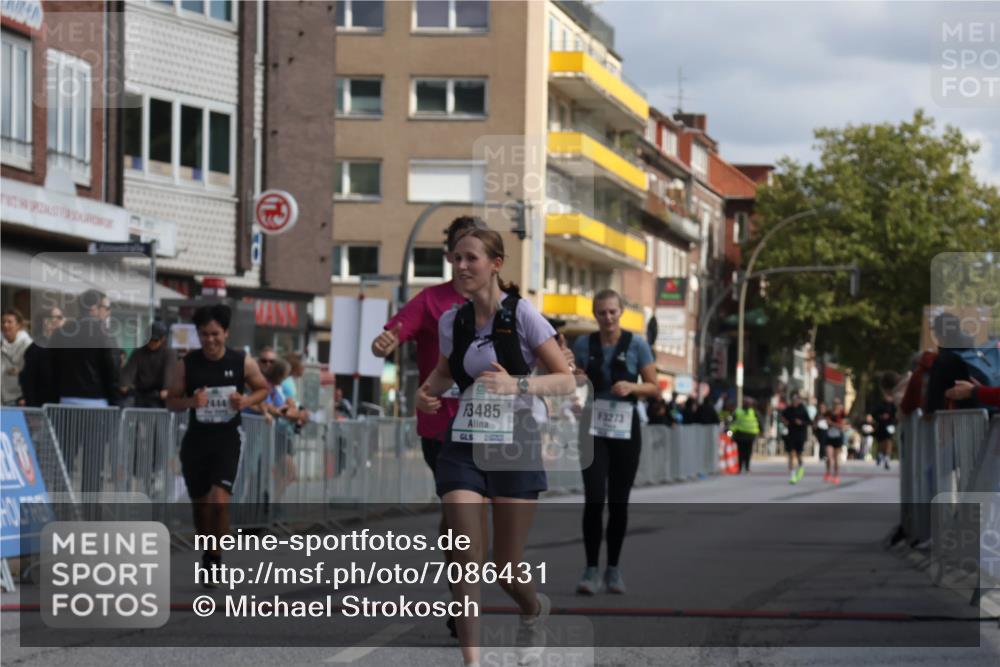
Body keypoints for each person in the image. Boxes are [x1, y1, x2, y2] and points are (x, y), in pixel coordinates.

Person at [415, 227, 573, 667]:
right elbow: (445, 372)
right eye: (455, 258)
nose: (461, 266)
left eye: (471, 258)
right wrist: (426, 391)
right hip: (464, 442)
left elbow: (566, 380)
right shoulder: (453, 320)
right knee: (465, 554)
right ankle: (473, 661)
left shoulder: (523, 315)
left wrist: (515, 383)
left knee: (505, 567)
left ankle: (532, 608)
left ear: (496, 264)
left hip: (516, 442)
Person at [165, 304, 268, 583]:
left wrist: (245, 401)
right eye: (203, 335)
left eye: (215, 334)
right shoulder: (186, 363)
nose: (210, 340)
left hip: (227, 439)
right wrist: (190, 401)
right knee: (200, 506)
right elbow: (171, 400)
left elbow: (263, 388)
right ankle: (207, 551)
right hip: (196, 441)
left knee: (219, 501)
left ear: (226, 333)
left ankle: (215, 558)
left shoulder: (241, 361)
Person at [571, 289, 658, 596]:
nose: (607, 318)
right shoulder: (584, 343)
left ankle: (614, 570)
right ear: (594, 314)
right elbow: (575, 379)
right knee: (594, 498)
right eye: (601, 312)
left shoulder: (637, 344)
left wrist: (632, 386)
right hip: (592, 426)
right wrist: (577, 393)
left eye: (612, 312)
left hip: (625, 427)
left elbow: (654, 386)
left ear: (621, 312)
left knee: (618, 502)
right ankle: (591, 568)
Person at [120, 322, 175, 408]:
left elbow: (169, 372)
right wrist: (125, 384)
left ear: (163, 339)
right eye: (149, 339)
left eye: (155, 340)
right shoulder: (138, 352)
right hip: (140, 393)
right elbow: (130, 370)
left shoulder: (169, 353)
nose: (151, 343)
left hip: (158, 395)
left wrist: (166, 388)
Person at [19, 306, 64, 407]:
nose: (61, 321)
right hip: (42, 408)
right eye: (58, 317)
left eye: (61, 317)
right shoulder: (35, 349)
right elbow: (28, 384)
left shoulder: (67, 346)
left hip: (63, 408)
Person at [2, 309, 32, 406]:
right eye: (3, 322)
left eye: (9, 322)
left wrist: (25, 397)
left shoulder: (28, 345)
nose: (5, 325)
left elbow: (32, 372)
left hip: (19, 400)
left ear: (18, 325)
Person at [781, 393, 811, 484]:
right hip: (791, 434)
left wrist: (801, 422)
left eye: (796, 400)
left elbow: (809, 421)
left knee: (799, 455)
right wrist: (785, 421)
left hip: (800, 434)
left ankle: (801, 467)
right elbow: (782, 416)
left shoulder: (803, 409)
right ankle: (793, 475)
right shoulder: (789, 409)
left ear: (799, 401)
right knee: (791, 454)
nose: (794, 402)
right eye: (793, 400)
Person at [873, 372, 898, 469]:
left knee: (888, 441)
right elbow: (874, 413)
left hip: (890, 425)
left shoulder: (893, 404)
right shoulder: (880, 404)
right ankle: (880, 455)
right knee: (881, 442)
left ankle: (887, 458)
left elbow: (896, 414)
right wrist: (881, 417)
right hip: (881, 425)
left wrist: (892, 418)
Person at [730, 397, 760, 473]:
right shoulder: (742, 411)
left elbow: (732, 422)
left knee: (744, 452)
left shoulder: (752, 412)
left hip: (746, 435)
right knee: (743, 452)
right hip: (743, 435)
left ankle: (745, 467)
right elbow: (732, 422)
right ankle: (743, 467)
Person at [824, 398, 847, 483]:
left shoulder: (842, 413)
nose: (836, 405)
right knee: (829, 457)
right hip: (829, 437)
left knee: (836, 458)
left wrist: (832, 424)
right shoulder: (829, 412)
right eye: (834, 403)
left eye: (837, 403)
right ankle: (828, 472)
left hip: (838, 437)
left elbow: (842, 426)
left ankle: (836, 475)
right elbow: (826, 422)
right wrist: (829, 423)